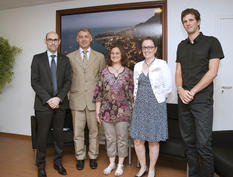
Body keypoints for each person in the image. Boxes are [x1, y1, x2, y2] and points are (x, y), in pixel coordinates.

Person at [176, 8, 224, 177]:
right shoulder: (181, 45)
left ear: (198, 21)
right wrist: (180, 90)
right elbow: (178, 72)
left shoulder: (212, 42)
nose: (188, 23)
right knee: (189, 143)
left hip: (202, 101)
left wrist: (193, 91)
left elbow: (213, 72)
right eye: (185, 21)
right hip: (183, 100)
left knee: (203, 143)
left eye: (190, 20)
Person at [31, 32, 71, 177]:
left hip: (60, 104)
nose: (53, 42)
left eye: (55, 40)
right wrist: (49, 99)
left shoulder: (65, 60)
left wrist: (58, 98)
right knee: (41, 137)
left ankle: (58, 162)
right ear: (45, 41)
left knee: (59, 136)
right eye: (50, 40)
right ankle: (40, 165)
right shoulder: (37, 59)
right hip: (43, 105)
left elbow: (68, 81)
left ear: (59, 41)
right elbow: (34, 82)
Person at [130, 37, 172, 177]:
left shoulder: (162, 64)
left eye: (150, 47)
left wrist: (158, 100)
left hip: (156, 106)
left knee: (153, 140)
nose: (147, 50)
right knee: (138, 139)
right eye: (144, 47)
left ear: (155, 49)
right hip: (139, 106)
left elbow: (168, 87)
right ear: (142, 50)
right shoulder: (137, 66)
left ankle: (152, 169)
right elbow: (135, 87)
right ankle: (143, 167)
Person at [67, 28, 106, 170]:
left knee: (94, 132)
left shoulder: (100, 57)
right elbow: (67, 80)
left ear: (91, 39)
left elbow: (102, 80)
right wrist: (69, 96)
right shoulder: (70, 57)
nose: (83, 39)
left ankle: (93, 156)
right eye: (81, 37)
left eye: (86, 37)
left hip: (93, 102)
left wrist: (100, 100)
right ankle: (80, 157)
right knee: (77, 133)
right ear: (77, 39)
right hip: (76, 101)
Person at [93, 44, 134, 176]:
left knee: (122, 138)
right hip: (106, 112)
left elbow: (132, 94)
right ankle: (112, 163)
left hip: (124, 112)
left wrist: (133, 111)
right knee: (110, 138)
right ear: (110, 56)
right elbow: (98, 93)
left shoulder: (128, 73)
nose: (114, 55)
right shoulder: (104, 72)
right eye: (112, 53)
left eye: (117, 53)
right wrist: (97, 112)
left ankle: (120, 165)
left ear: (121, 55)